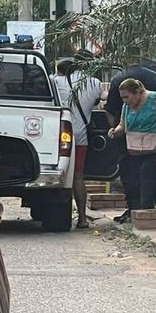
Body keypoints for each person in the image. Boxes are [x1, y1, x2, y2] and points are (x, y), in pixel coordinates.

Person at [105, 54, 156, 220]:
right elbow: (122, 125)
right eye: (122, 98)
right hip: (134, 147)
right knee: (137, 178)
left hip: (152, 146)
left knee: (146, 177)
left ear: (138, 92)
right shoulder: (127, 104)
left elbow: (110, 111)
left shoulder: (154, 99)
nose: (125, 101)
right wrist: (115, 131)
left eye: (127, 97)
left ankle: (145, 213)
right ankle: (144, 210)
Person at [53, 52, 107, 228]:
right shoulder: (95, 83)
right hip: (81, 138)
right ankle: (82, 218)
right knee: (78, 177)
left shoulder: (55, 81)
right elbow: (103, 98)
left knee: (56, 174)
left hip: (57, 136)